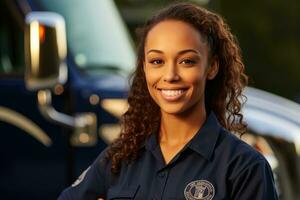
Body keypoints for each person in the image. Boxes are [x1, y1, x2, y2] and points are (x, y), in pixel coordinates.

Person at [58, 2, 278, 200]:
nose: (170, 75)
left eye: (187, 61)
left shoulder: (244, 168)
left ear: (211, 67)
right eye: (157, 61)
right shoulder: (120, 158)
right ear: (144, 68)